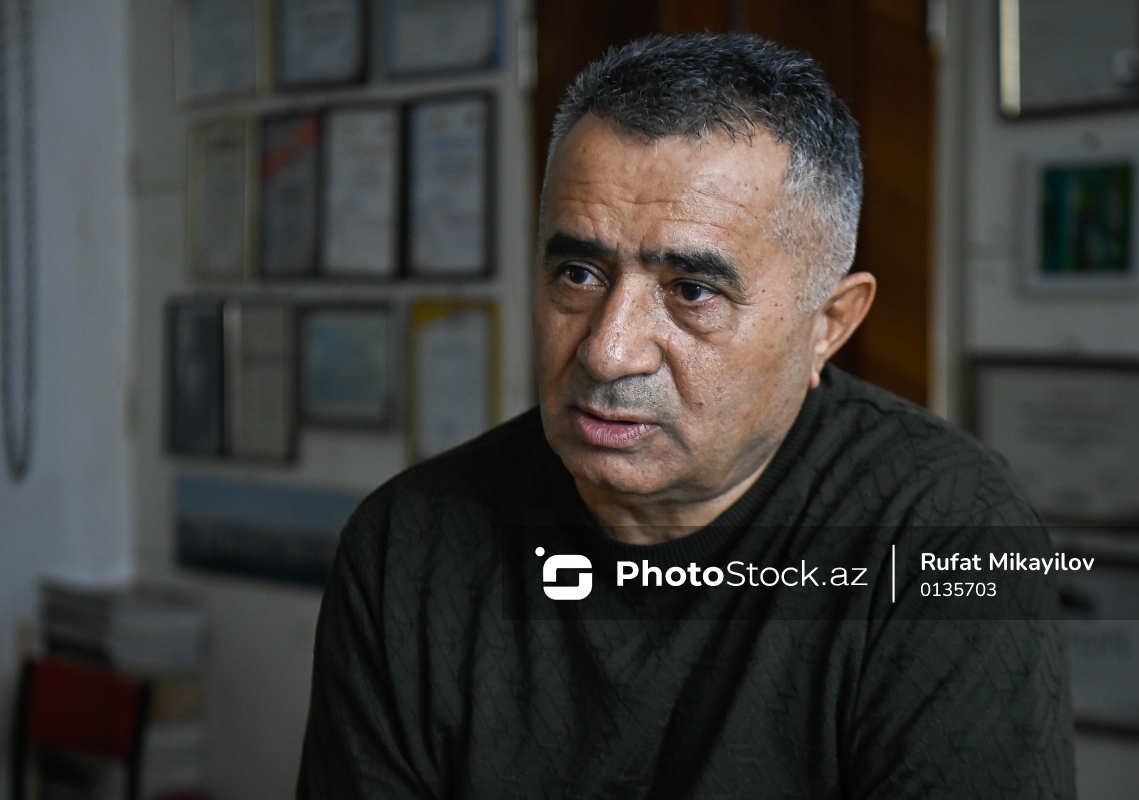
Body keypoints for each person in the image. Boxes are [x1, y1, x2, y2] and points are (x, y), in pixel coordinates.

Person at [297, 33, 1075, 798]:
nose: (608, 352)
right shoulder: (412, 541)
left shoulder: (948, 532)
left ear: (828, 325)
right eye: (578, 273)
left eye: (692, 292)